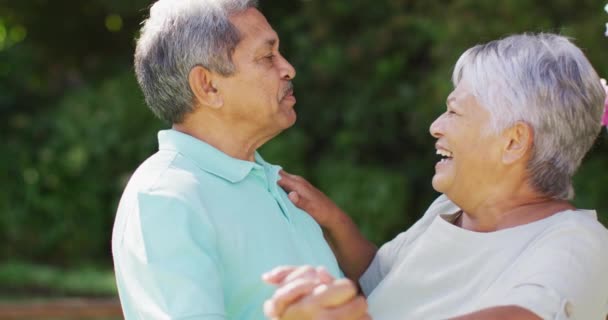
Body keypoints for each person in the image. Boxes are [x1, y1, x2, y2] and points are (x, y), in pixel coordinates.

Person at [263, 33, 608, 320]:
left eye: (454, 111)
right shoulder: (447, 210)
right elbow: (379, 281)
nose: (436, 126)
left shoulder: (580, 245)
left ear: (514, 141)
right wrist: (332, 220)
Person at [110, 1, 364, 319]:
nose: (288, 68)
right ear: (208, 85)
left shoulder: (277, 185)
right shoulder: (164, 198)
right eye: (267, 56)